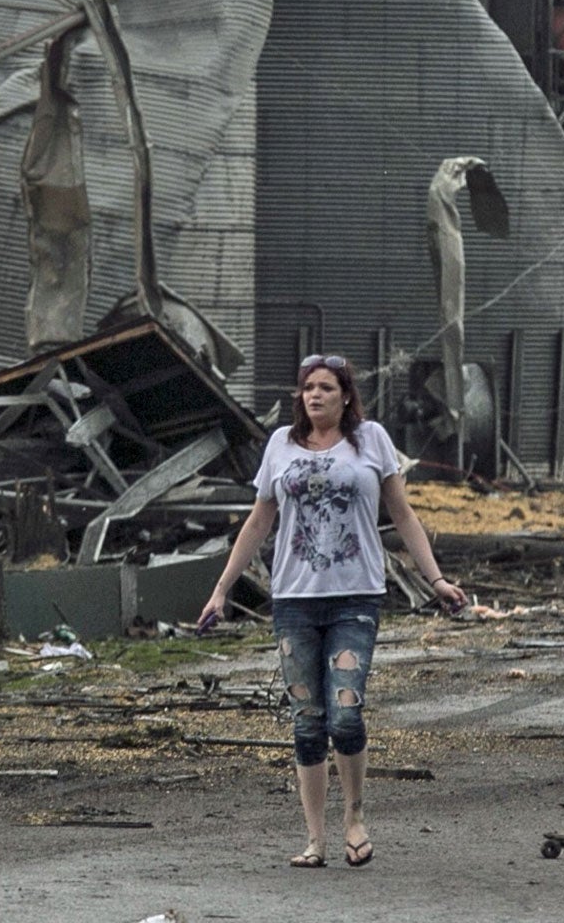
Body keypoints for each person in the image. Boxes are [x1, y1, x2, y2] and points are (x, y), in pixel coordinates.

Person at [198, 353, 466, 870]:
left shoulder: (372, 441)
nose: (313, 396)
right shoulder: (280, 444)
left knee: (345, 714)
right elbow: (258, 522)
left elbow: (401, 513)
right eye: (306, 389)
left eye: (324, 387)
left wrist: (435, 579)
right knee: (306, 722)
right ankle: (315, 840)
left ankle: (355, 819)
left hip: (355, 597)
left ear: (346, 395)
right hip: (294, 600)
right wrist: (220, 590)